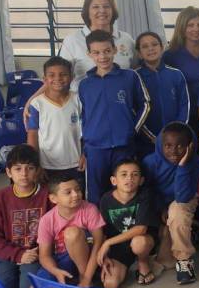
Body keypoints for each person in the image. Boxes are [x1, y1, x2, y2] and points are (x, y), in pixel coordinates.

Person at [77, 29, 151, 204]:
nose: (102, 56)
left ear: (115, 50)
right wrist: (84, 149)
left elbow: (146, 105)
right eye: (96, 52)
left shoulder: (130, 77)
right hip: (95, 149)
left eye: (107, 51)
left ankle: (127, 222)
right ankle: (97, 223)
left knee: (127, 190)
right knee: (95, 194)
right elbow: (84, 117)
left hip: (124, 145)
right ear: (89, 54)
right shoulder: (85, 84)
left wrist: (131, 131)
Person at [0, 145, 53, 288]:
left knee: (28, 287)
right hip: (7, 252)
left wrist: (42, 251)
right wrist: (18, 254)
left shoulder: (49, 196)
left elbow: (57, 228)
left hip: (36, 253)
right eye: (18, 169)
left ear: (37, 171)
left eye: (30, 168)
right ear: (9, 172)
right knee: (1, 286)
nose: (24, 174)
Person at [142, 121, 199, 284]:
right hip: (159, 204)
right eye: (168, 146)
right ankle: (189, 231)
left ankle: (184, 261)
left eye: (180, 146)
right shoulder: (150, 162)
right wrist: (162, 208)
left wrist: (183, 166)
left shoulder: (197, 162)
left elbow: (183, 196)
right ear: (161, 145)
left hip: (183, 200)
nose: (174, 151)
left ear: (190, 146)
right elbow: (148, 191)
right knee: (165, 258)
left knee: (177, 211)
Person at [96, 159, 159, 288]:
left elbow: (141, 229)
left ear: (141, 180)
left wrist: (108, 243)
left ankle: (143, 262)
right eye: (124, 174)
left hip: (142, 241)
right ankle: (127, 264)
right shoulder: (106, 200)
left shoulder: (145, 195)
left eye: (135, 174)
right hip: (119, 246)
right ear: (114, 180)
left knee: (139, 242)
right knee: (110, 284)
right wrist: (105, 255)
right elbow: (103, 231)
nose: (129, 178)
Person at [35, 173, 105, 288]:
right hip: (63, 259)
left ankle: (84, 278)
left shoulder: (90, 209)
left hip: (89, 257)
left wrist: (86, 278)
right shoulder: (46, 220)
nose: (75, 194)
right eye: (68, 192)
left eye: (77, 190)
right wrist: (56, 271)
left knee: (72, 233)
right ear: (53, 198)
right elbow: (44, 256)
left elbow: (98, 243)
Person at [58, 0, 136, 91]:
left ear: (113, 11)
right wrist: (37, 97)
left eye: (106, 6)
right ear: (87, 12)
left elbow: (136, 70)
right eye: (95, 7)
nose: (102, 10)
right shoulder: (72, 40)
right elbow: (59, 76)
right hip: (82, 99)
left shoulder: (126, 39)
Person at [163, 6, 199, 150]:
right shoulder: (170, 55)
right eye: (190, 25)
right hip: (186, 115)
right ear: (182, 27)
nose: (196, 29)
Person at [25, 56, 83, 183]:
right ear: (44, 79)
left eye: (63, 74)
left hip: (76, 163)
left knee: (74, 193)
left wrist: (86, 154)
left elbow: (87, 130)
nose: (58, 78)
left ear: (72, 77)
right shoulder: (37, 104)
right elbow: (32, 135)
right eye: (52, 75)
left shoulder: (78, 99)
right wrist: (35, 163)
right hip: (47, 165)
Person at [135, 31, 189, 158]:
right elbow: (134, 111)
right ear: (139, 53)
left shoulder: (176, 74)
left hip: (175, 141)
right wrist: (152, 137)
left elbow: (184, 105)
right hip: (146, 142)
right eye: (145, 46)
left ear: (162, 47)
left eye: (154, 44)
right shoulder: (135, 77)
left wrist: (176, 133)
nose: (151, 49)